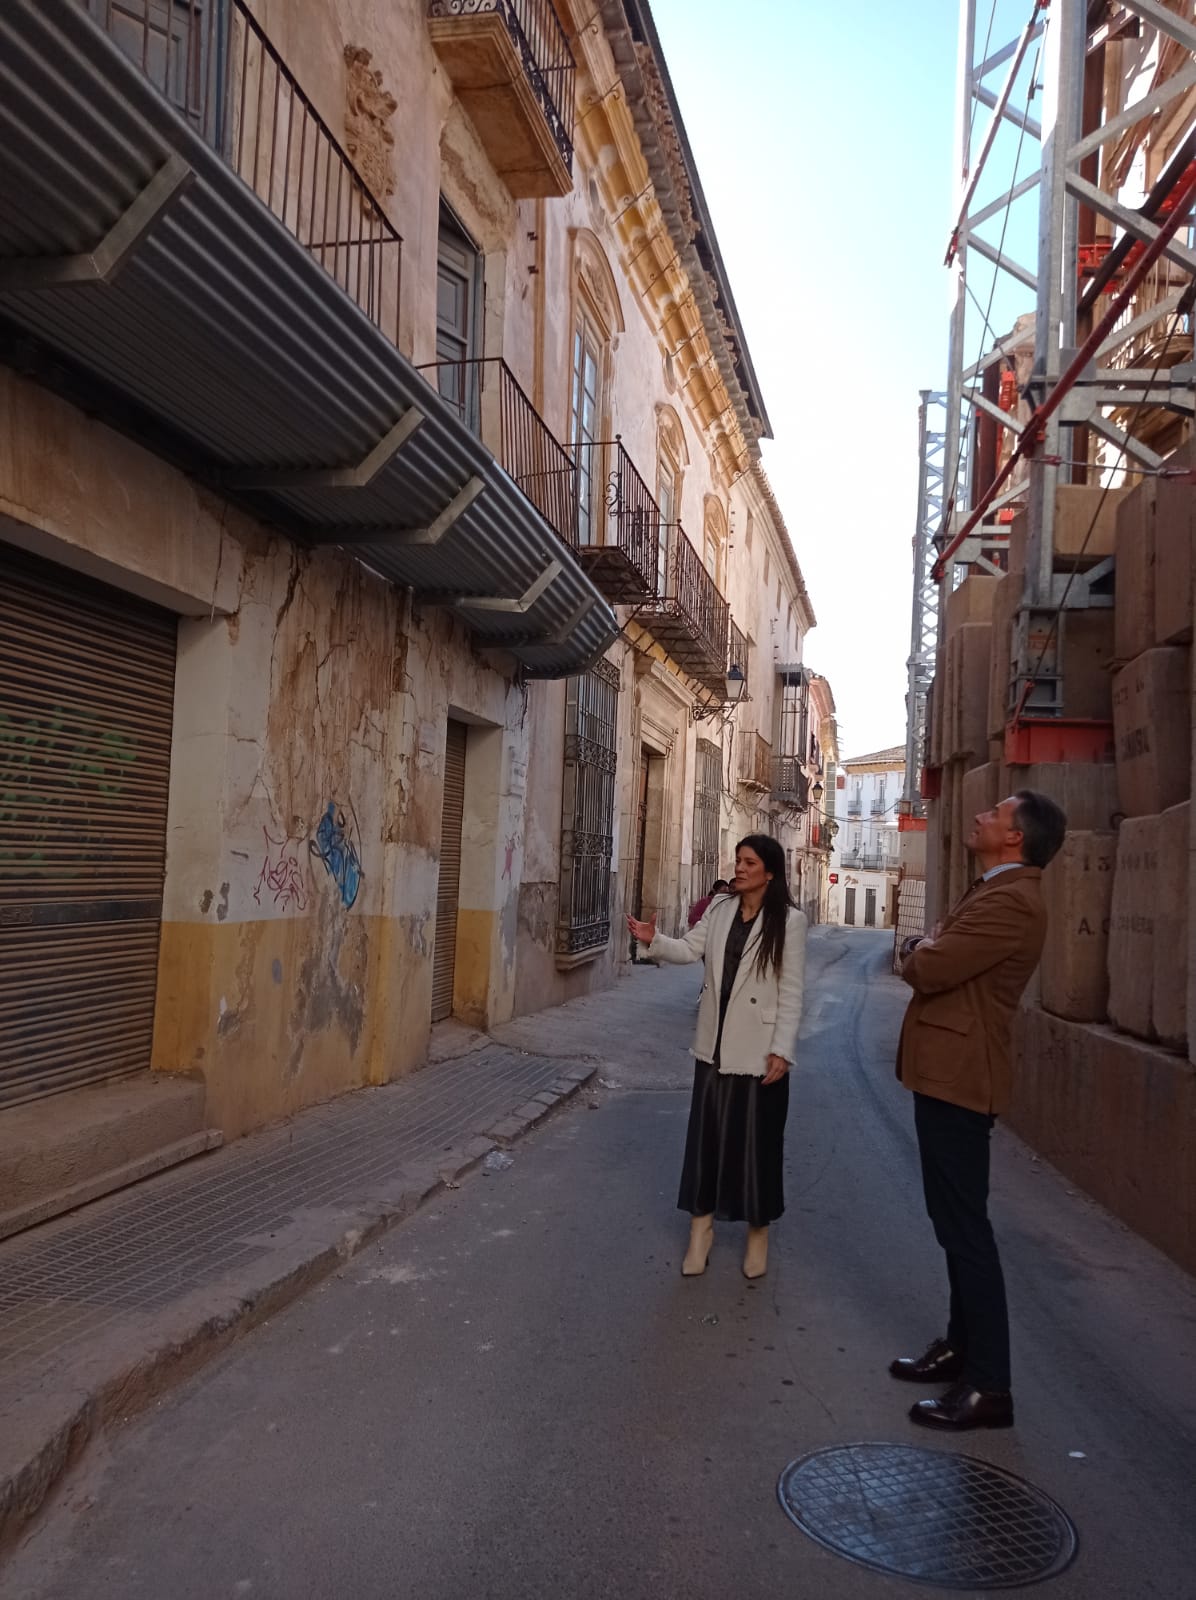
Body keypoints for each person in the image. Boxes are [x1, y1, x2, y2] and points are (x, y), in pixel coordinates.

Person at [892, 790, 1067, 1432]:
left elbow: (934, 965)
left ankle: (991, 1385)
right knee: (952, 1219)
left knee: (966, 1228)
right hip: (947, 1074)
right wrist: (927, 946)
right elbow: (936, 951)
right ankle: (961, 1348)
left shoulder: (1013, 901)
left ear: (1016, 837)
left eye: (995, 813)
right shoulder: (992, 887)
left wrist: (919, 950)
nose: (981, 816)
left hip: (964, 1078)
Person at [626, 835, 807, 1281]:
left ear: (769, 872)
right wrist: (655, 940)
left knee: (757, 1147)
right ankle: (700, 1231)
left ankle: (757, 1233)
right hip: (714, 1045)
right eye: (738, 861)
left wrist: (782, 1049)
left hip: (760, 1051)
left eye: (749, 862)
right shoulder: (719, 909)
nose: (739, 868)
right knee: (705, 1143)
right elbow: (690, 950)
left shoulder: (790, 922)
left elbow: (792, 990)